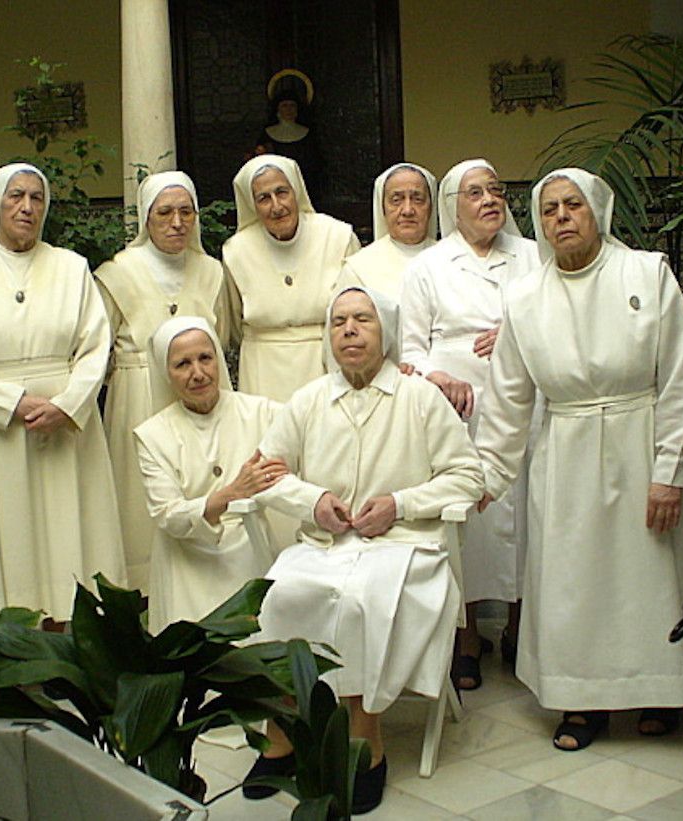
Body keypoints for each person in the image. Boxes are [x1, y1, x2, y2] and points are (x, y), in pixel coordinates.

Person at [474, 167, 683, 751]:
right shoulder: (525, 297)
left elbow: (679, 378)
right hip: (566, 452)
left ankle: (659, 692)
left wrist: (670, 473)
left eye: (573, 205)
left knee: (650, 576)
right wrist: (488, 476)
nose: (561, 217)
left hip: (643, 440)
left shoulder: (647, 272)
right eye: (549, 210)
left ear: (597, 211)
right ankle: (581, 700)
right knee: (575, 582)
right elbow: (509, 398)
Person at [242, 286, 483, 814]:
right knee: (279, 595)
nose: (349, 330)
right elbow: (265, 472)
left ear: (386, 332)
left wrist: (400, 504)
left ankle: (364, 734)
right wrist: (313, 502)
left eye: (363, 320)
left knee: (363, 600)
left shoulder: (420, 398)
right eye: (339, 321)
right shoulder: (308, 400)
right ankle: (280, 731)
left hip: (404, 546)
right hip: (324, 546)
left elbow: (468, 477)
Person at [0, 162, 125, 623]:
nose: (27, 207)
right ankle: (7, 633)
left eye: (36, 198)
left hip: (64, 430)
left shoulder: (71, 268)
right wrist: (13, 404)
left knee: (66, 531)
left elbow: (95, 347)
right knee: (5, 533)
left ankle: (69, 627)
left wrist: (66, 405)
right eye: (16, 196)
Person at [401, 158, 541, 691]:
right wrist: (437, 377)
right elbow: (410, 349)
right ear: (452, 206)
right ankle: (466, 635)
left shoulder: (533, 256)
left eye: (496, 190)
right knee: (467, 520)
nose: (489, 200)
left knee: (526, 513)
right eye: (475, 192)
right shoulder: (429, 266)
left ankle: (521, 628)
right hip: (454, 409)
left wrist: (517, 329)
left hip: (524, 399)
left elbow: (554, 314)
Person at [94, 171, 227, 593]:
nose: (177, 222)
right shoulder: (117, 273)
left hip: (199, 398)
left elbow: (221, 338)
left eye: (186, 212)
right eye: (165, 212)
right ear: (146, 218)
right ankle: (142, 592)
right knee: (139, 500)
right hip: (136, 397)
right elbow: (96, 348)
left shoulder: (212, 272)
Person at [134, 315, 286, 634]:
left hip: (251, 553)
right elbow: (169, 514)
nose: (198, 373)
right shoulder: (151, 435)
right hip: (186, 566)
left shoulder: (261, 412)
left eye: (205, 358)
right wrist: (231, 494)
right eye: (183, 364)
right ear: (165, 372)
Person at [222, 154, 360, 402]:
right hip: (262, 374)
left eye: (282, 192)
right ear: (252, 204)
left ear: (296, 191)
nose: (276, 207)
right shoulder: (236, 251)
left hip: (326, 367)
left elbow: (359, 311)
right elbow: (232, 324)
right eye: (264, 198)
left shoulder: (337, 236)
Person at [337, 162, 438, 301]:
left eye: (418, 199)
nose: (407, 210)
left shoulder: (452, 261)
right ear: (382, 208)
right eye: (396, 200)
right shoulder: (359, 268)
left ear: (431, 207)